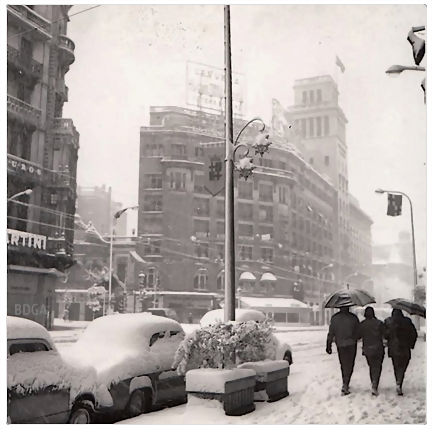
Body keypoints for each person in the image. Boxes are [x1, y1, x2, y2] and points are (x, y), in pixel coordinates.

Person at [326, 306, 360, 395]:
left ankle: (345, 383)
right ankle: (346, 382)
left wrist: (328, 345)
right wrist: (355, 337)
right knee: (350, 364)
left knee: (343, 363)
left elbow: (331, 332)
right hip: (351, 343)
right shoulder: (353, 318)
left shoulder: (334, 318)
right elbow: (359, 332)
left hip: (340, 344)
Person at [384, 308, 418, 396]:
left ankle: (398, 382)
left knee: (396, 366)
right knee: (403, 366)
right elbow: (414, 334)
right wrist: (411, 344)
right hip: (405, 348)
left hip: (394, 348)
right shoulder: (407, 322)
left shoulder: (389, 322)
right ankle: (399, 381)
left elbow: (385, 335)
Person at [358, 307, 385, 396]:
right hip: (378, 348)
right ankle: (375, 382)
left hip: (368, 349)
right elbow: (385, 334)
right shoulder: (379, 323)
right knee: (378, 366)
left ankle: (373, 382)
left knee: (371, 366)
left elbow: (358, 336)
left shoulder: (362, 324)